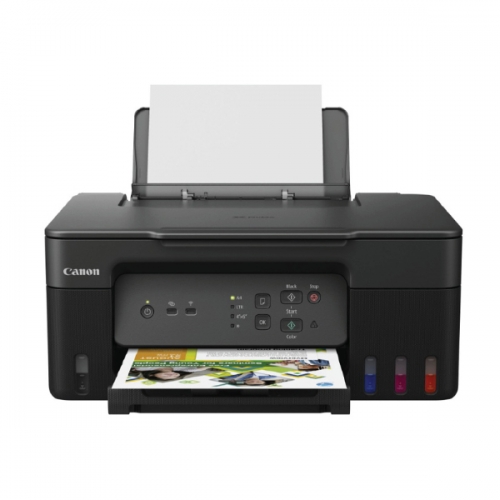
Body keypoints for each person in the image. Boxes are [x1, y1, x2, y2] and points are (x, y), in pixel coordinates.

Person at [129, 366, 214, 382]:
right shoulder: (184, 369)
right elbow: (201, 368)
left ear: (151, 375)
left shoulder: (142, 368)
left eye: (165, 377)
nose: (171, 376)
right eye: (171, 378)